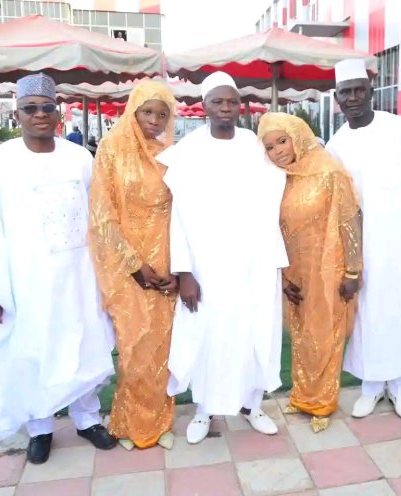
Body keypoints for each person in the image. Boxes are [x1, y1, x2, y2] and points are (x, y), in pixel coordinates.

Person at [0, 73, 116, 465]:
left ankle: (87, 419)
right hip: (25, 277)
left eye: (47, 107)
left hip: (79, 273)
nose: (40, 114)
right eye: (31, 108)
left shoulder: (79, 157)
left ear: (57, 112)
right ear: (17, 114)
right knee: (32, 349)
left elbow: (99, 216)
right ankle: (40, 428)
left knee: (83, 342)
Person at [157, 71, 287, 445]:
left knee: (255, 332)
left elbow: (278, 189)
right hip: (207, 266)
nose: (226, 108)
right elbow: (177, 215)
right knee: (208, 335)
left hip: (255, 262)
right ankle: (205, 410)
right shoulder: (189, 151)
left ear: (240, 106)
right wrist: (184, 272)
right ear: (205, 106)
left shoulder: (255, 146)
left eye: (232, 101)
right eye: (218, 101)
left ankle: (253, 405)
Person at [324, 59, 401, 421]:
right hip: (361, 247)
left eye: (360, 89)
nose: (354, 97)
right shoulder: (336, 145)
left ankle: (400, 388)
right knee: (368, 314)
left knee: (400, 309)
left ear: (371, 91)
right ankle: (371, 388)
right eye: (346, 92)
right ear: (337, 98)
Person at [258, 112, 362, 433]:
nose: (278, 151)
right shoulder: (278, 177)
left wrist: (353, 272)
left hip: (329, 267)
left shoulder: (329, 171)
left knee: (325, 334)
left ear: (298, 135)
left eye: (282, 141)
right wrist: (282, 275)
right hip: (294, 270)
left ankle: (322, 403)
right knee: (302, 335)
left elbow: (350, 221)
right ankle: (302, 396)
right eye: (270, 146)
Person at [88, 81, 178, 451]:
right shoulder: (111, 151)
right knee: (134, 345)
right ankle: (128, 422)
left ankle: (160, 421)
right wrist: (134, 265)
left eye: (162, 114)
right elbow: (102, 215)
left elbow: (184, 212)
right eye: (147, 112)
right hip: (127, 266)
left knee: (162, 345)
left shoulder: (171, 154)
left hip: (167, 261)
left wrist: (179, 267)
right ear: (133, 112)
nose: (154, 121)